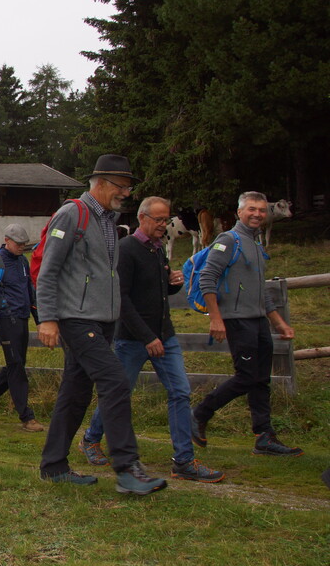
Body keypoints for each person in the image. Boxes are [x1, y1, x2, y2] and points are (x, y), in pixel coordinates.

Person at [36, 154, 166, 495]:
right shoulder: (72, 213)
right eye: (122, 186)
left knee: (75, 392)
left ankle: (54, 466)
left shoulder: (110, 220)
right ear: (102, 183)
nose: (126, 192)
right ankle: (126, 468)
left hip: (103, 320)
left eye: (128, 186)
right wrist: (48, 318)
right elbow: (49, 269)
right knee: (115, 381)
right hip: (76, 319)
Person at [78, 197, 224, 482]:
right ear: (142, 218)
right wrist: (146, 337)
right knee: (119, 393)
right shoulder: (126, 250)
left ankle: (183, 461)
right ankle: (91, 438)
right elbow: (123, 300)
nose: (164, 225)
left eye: (166, 219)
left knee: (180, 392)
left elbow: (154, 292)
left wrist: (172, 285)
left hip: (164, 336)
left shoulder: (157, 249)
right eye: (158, 219)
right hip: (132, 340)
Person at [192, 191, 301, 456]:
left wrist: (277, 322)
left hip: (258, 320)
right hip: (236, 319)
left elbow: (260, 289)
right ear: (239, 211)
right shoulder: (228, 240)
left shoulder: (256, 243)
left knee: (261, 379)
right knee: (247, 377)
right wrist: (216, 319)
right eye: (251, 209)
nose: (257, 214)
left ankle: (264, 437)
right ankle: (197, 415)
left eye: (262, 210)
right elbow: (207, 277)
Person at [0, 224, 44, 433]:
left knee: (16, 364)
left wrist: (38, 320)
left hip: (22, 319)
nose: (22, 247)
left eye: (24, 243)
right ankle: (26, 417)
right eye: (19, 243)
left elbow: (29, 291)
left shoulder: (22, 261)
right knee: (16, 366)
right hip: (5, 319)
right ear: (7, 240)